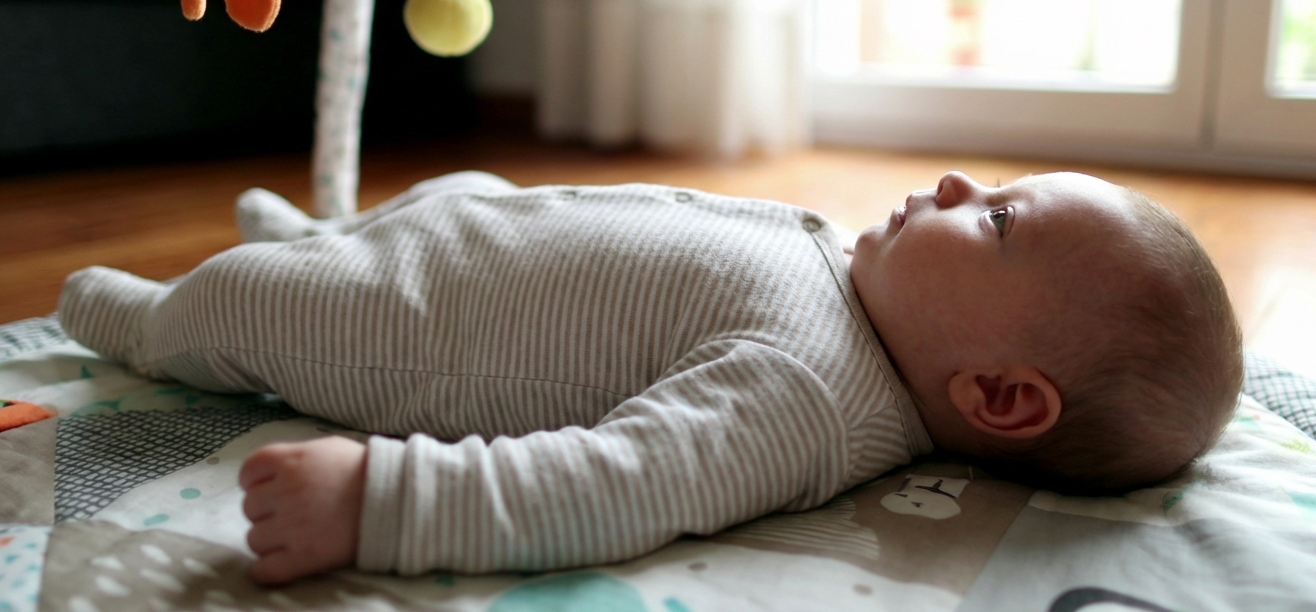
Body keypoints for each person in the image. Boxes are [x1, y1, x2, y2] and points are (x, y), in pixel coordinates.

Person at [57, 169, 1243, 585]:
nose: (949, 186)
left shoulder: (804, 397)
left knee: (253, 300)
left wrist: (378, 499)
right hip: (484, 223)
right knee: (445, 194)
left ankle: (148, 317)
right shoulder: (852, 277)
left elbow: (610, 481)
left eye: (992, 225)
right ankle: (325, 223)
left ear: (997, 397)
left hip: (407, 318)